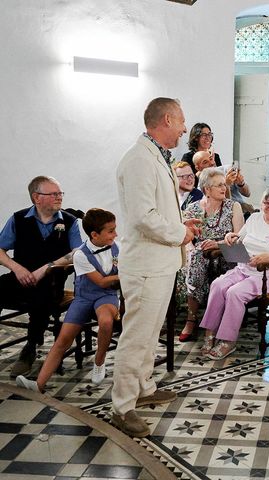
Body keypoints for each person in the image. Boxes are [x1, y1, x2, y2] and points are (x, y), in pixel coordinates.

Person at [112, 97, 201, 438]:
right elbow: (142, 217)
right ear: (166, 119)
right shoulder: (138, 160)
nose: (183, 129)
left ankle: (145, 388)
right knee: (136, 338)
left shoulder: (156, 157)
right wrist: (182, 233)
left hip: (159, 263)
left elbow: (157, 209)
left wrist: (181, 220)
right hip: (147, 264)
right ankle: (122, 407)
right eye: (181, 122)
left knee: (150, 335)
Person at [15, 208, 120, 392]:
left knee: (105, 321)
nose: (116, 234)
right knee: (63, 339)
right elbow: (101, 282)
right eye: (111, 231)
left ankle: (99, 360)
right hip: (84, 297)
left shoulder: (117, 247)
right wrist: (125, 275)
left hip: (106, 296)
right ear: (95, 234)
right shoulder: (80, 254)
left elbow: (108, 285)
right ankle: (39, 384)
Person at [199, 188, 269, 360]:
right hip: (243, 269)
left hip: (268, 276)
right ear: (261, 204)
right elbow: (239, 238)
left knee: (234, 293)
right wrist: (230, 237)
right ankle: (210, 333)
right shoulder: (254, 218)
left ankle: (227, 341)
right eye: (266, 202)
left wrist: (266, 257)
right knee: (217, 285)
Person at [0, 176, 82, 377]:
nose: (59, 197)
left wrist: (47, 267)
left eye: (60, 193)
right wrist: (16, 268)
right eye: (53, 194)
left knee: (41, 295)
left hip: (51, 282)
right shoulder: (19, 219)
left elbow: (77, 253)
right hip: (20, 277)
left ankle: (30, 347)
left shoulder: (70, 222)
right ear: (36, 197)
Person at [178, 168, 244, 342]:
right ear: (207, 189)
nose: (224, 188)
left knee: (198, 258)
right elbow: (185, 235)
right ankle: (193, 319)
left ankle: (194, 320)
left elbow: (239, 237)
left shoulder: (233, 206)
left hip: (227, 250)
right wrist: (191, 247)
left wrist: (219, 244)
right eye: (219, 185)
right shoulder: (192, 209)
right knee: (196, 256)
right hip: (199, 252)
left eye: (224, 184)